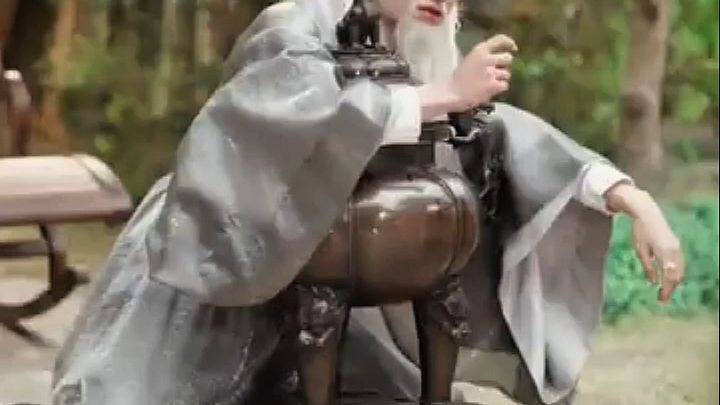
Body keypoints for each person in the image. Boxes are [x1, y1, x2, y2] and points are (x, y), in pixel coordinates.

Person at [51, 1, 685, 404]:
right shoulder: (296, 21)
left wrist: (630, 198)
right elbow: (276, 116)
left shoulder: (411, 38)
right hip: (223, 252)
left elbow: (504, 133)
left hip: (343, 269)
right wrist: (440, 97)